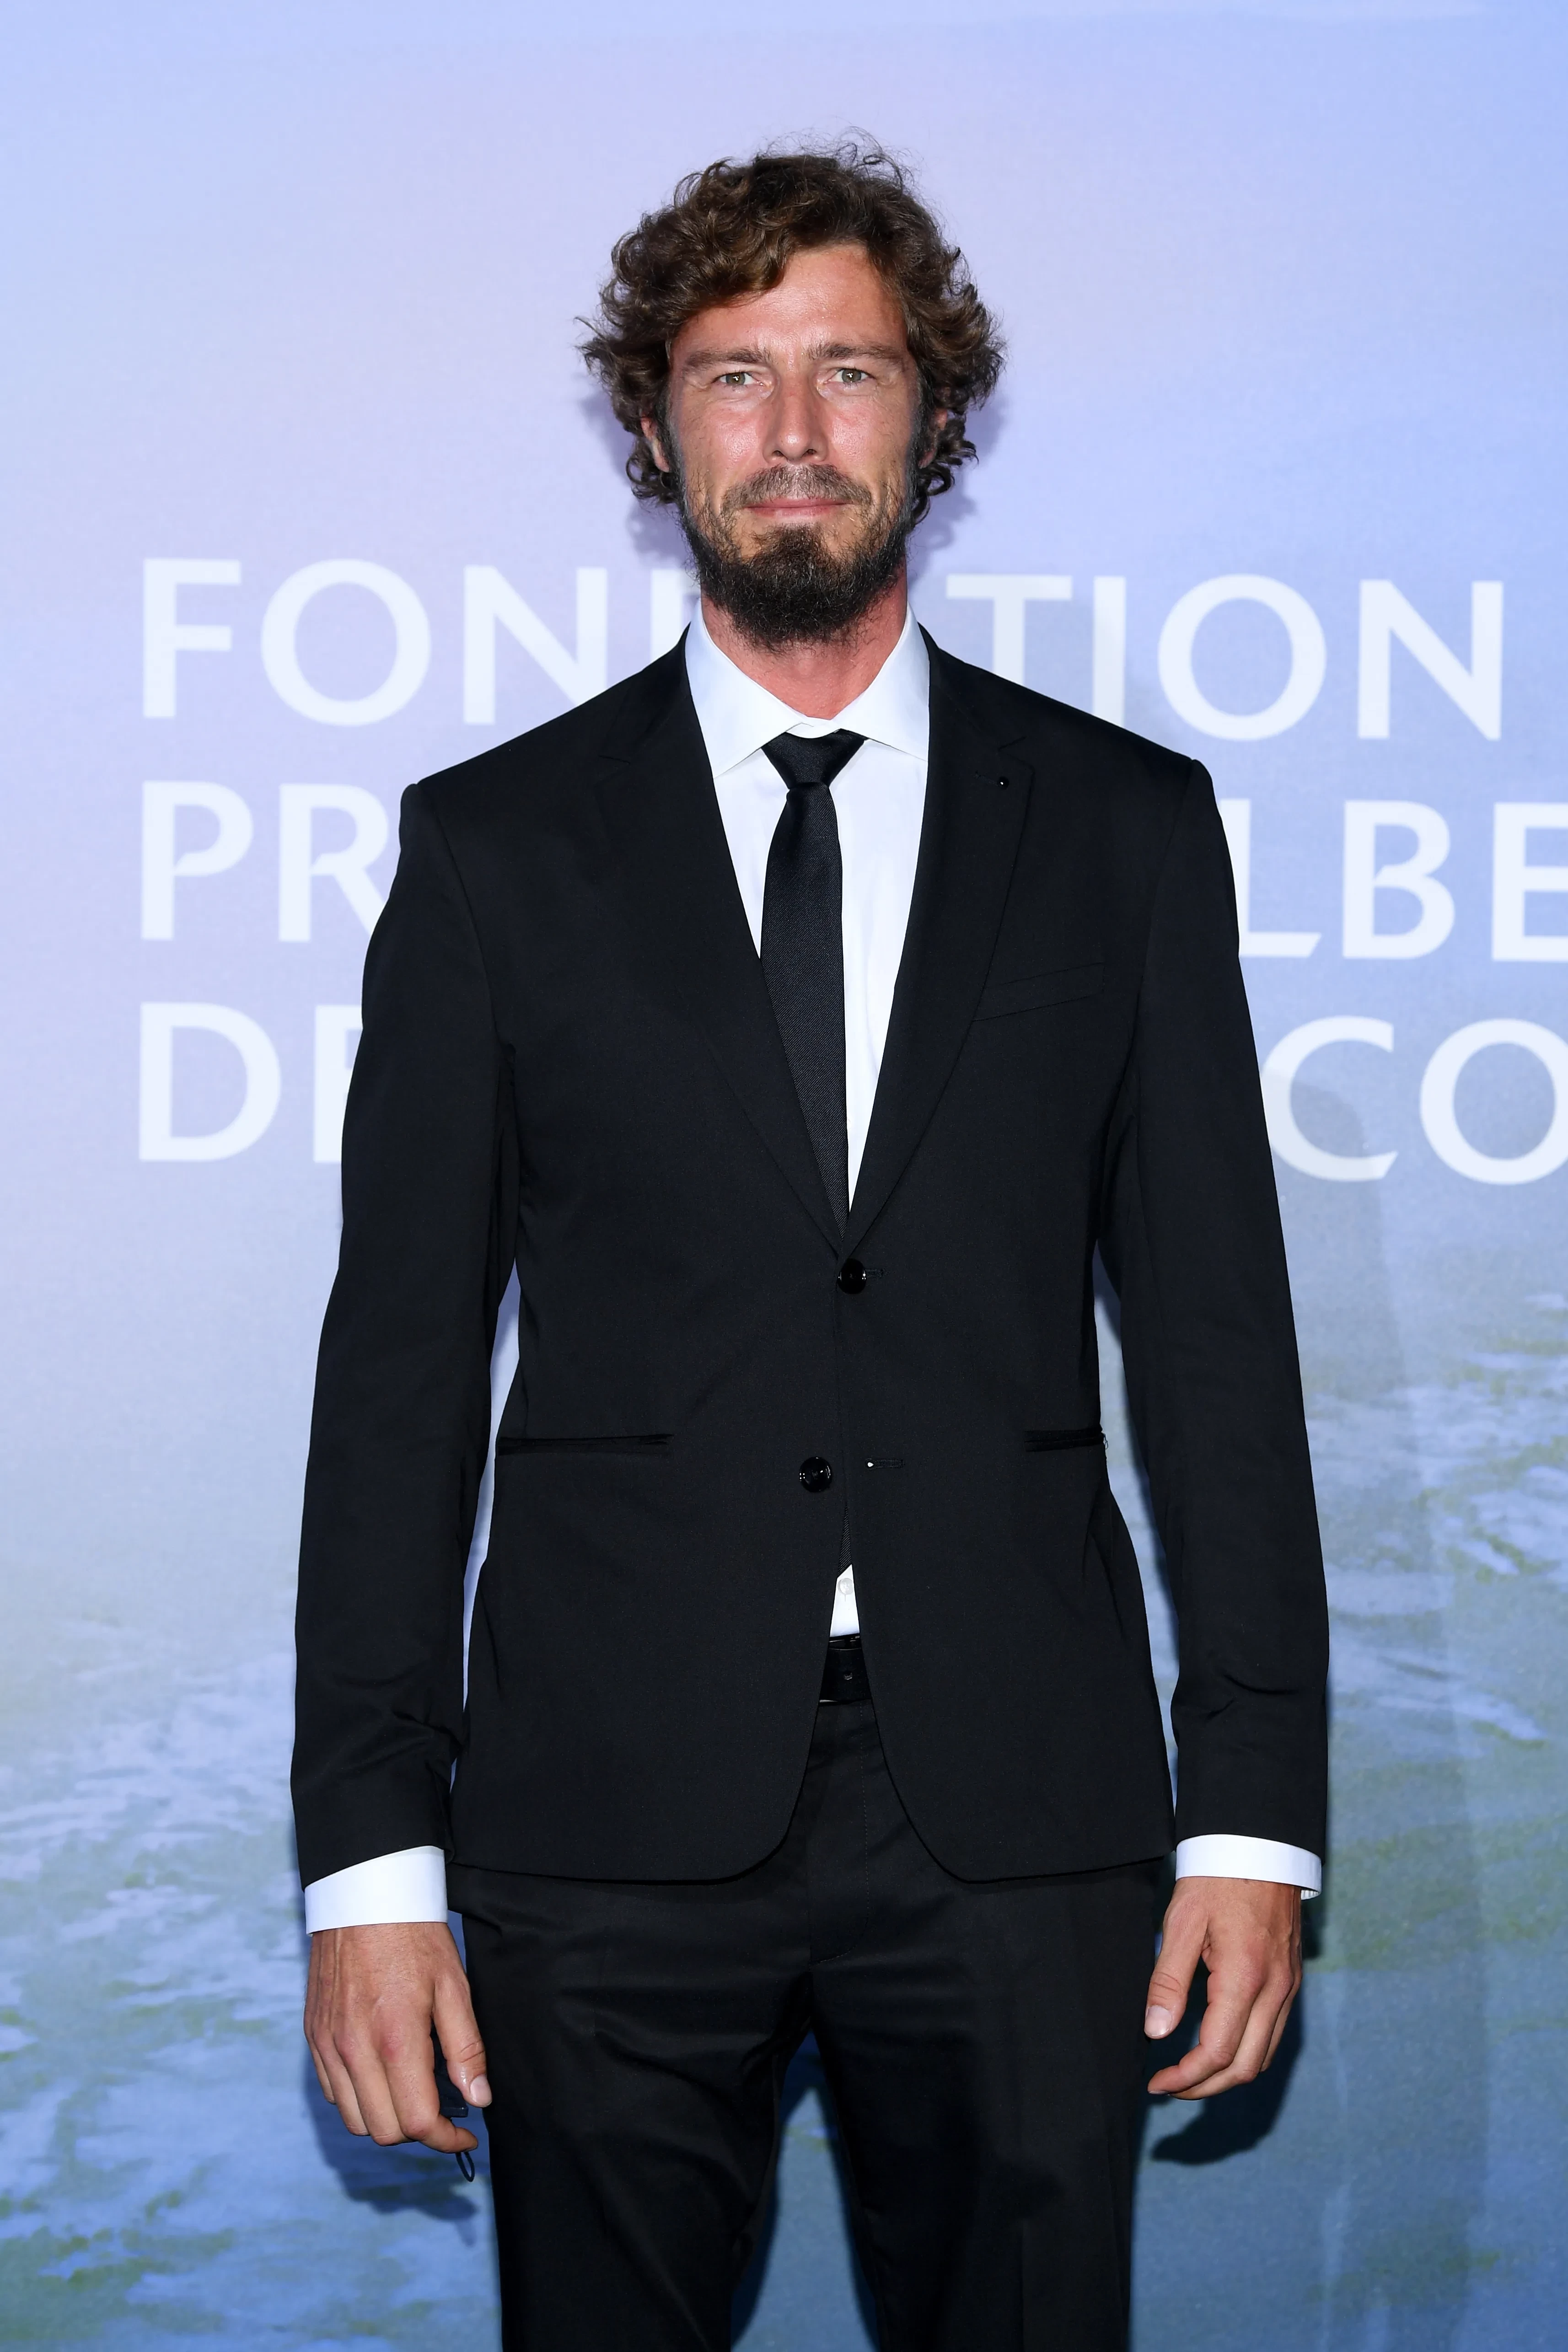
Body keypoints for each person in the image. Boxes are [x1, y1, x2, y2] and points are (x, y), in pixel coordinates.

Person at [293, 144, 1329, 2350]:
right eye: (730, 374)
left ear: (929, 417)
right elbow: (395, 1385)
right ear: (652, 424)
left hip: (1019, 1818)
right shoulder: (493, 850)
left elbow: (1217, 1356)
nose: (788, 429)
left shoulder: (1122, 831)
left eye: (846, 370)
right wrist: (370, 1864)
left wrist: (1251, 1824)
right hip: (600, 1817)